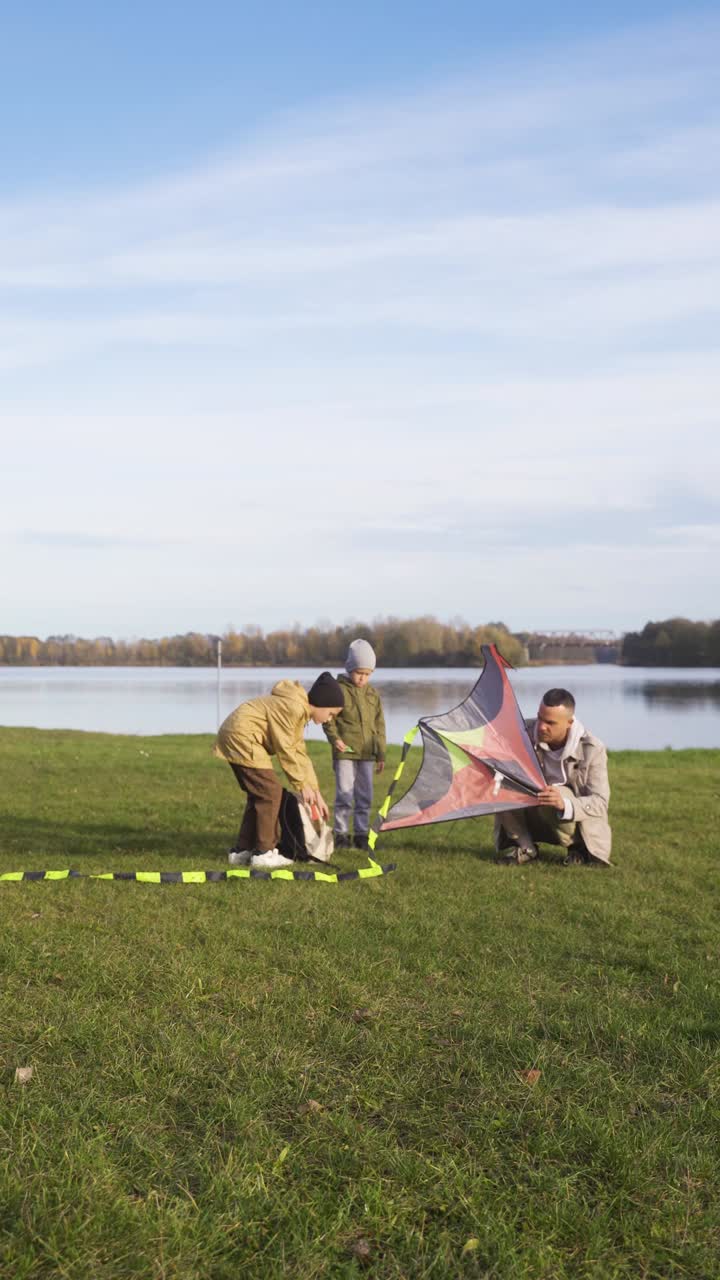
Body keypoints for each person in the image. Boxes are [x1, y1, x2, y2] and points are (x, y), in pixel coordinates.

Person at [214, 672, 344, 870]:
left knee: (258, 795)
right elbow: (286, 749)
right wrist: (301, 785)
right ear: (322, 703)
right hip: (242, 737)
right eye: (331, 714)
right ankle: (264, 853)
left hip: (236, 735)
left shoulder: (299, 711)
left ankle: (242, 851)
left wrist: (315, 792)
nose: (329, 720)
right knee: (271, 793)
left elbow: (300, 753)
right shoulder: (294, 709)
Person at [495, 687, 611, 866]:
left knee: (557, 794)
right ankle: (525, 847)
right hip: (535, 810)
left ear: (569, 723)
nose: (541, 726)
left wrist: (564, 804)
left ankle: (578, 848)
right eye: (540, 718)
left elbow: (600, 803)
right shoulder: (522, 732)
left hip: (571, 819)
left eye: (550, 722)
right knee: (499, 785)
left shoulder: (593, 749)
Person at [323, 639, 386, 850]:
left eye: (367, 674)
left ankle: (361, 834)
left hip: (367, 754)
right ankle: (340, 834)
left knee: (365, 795)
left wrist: (381, 754)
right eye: (359, 673)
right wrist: (336, 740)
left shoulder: (373, 695)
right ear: (350, 669)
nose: (362, 678)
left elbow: (379, 725)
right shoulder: (338, 690)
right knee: (344, 794)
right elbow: (327, 719)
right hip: (345, 753)